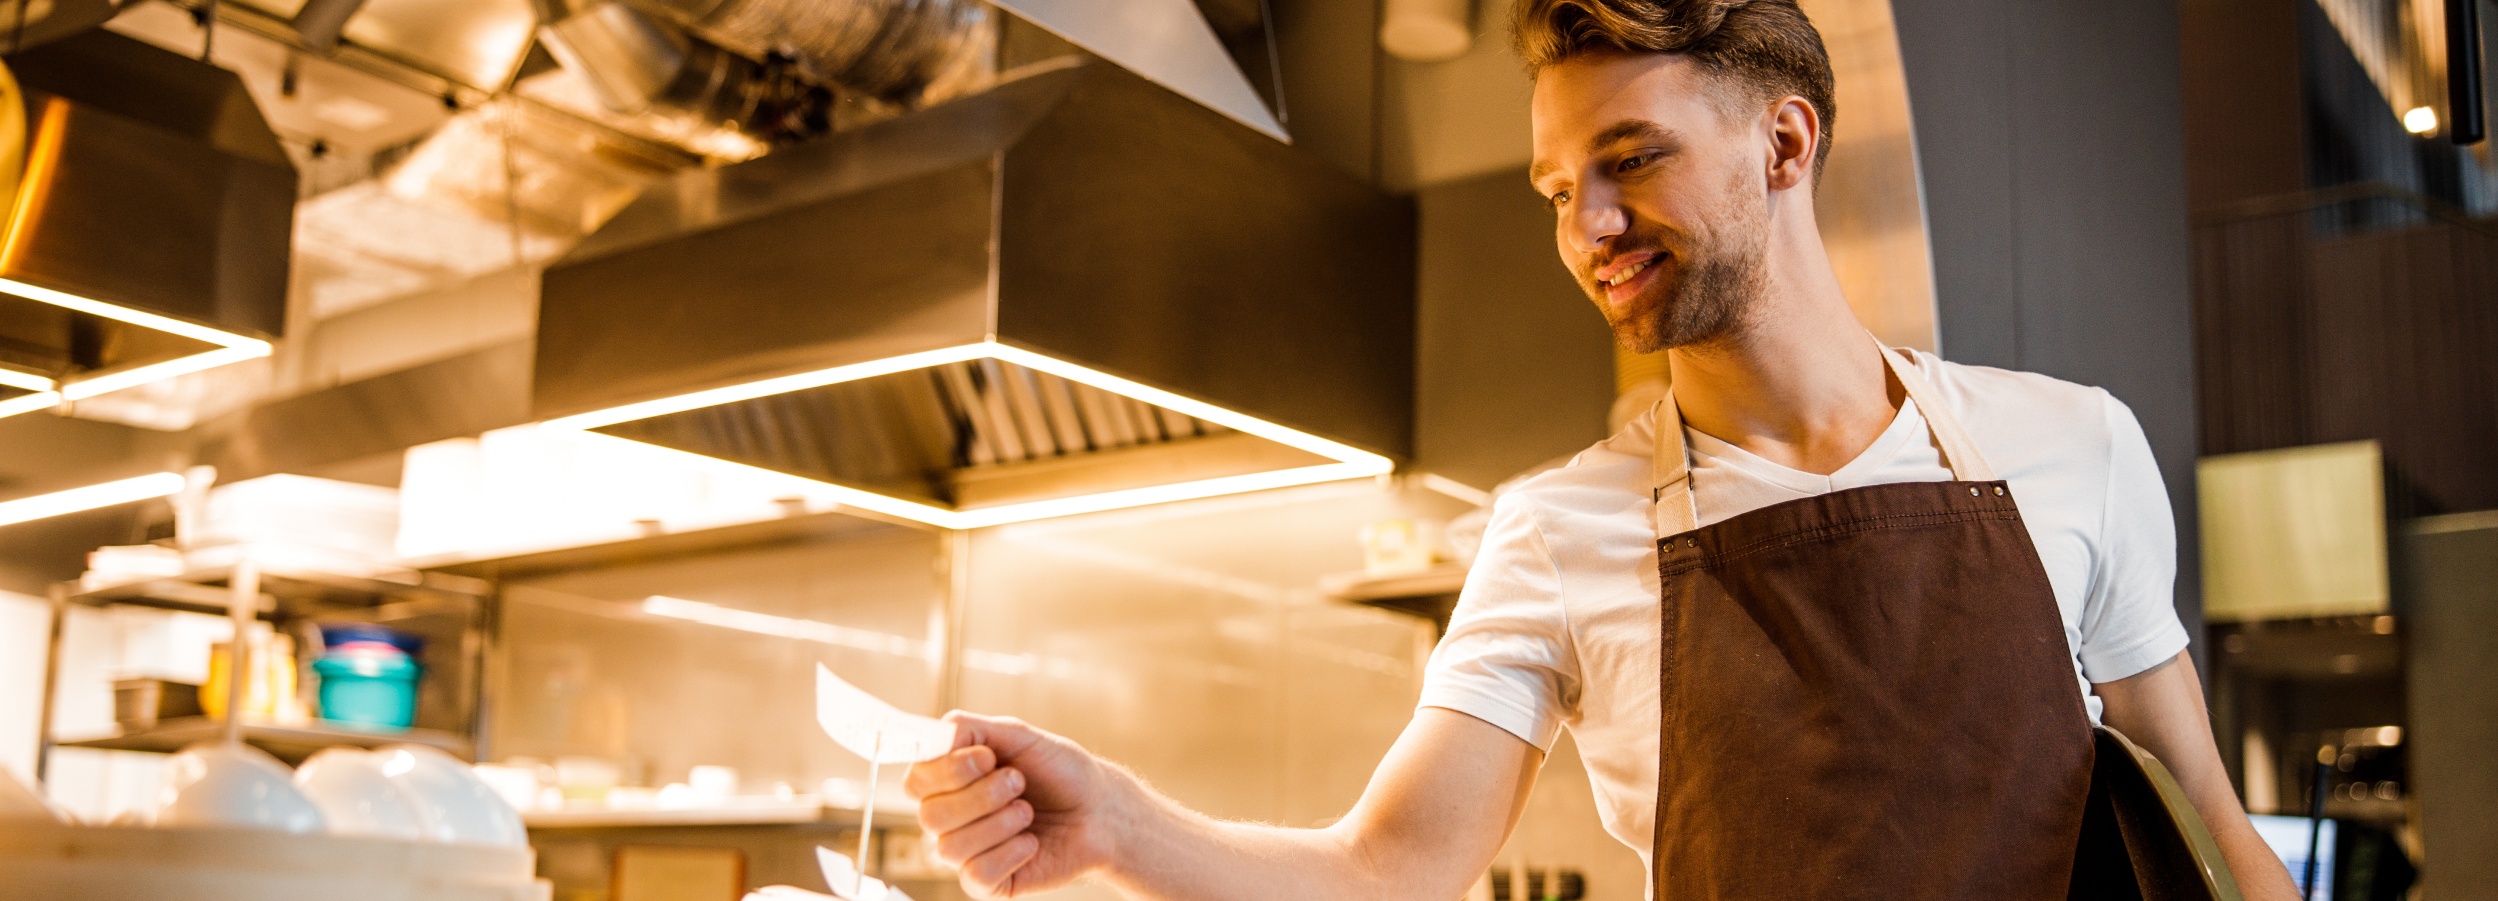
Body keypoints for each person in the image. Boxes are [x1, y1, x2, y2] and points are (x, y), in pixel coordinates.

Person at [903, 1, 2303, 898]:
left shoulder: (2068, 443)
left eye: (1630, 159)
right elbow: (1386, 869)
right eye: (1558, 187)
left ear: (1784, 140)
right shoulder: (1554, 530)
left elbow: (2218, 837)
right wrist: (1116, 827)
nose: (1587, 228)